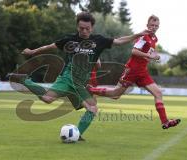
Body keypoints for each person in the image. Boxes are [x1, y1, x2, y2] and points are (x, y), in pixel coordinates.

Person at [18, 12, 149, 140]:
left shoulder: (99, 40)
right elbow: (50, 46)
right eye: (81, 28)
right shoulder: (69, 40)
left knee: (92, 109)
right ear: (77, 27)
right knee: (47, 99)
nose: (84, 31)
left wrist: (137, 34)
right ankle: (25, 81)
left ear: (91, 28)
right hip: (67, 78)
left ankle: (77, 133)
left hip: (80, 83)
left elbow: (119, 41)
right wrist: (32, 52)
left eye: (87, 28)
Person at [88, 15, 181, 129]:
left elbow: (146, 54)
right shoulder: (143, 36)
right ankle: (91, 90)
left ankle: (165, 121)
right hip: (132, 70)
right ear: (147, 25)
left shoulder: (154, 39)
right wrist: (149, 55)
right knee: (115, 94)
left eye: (156, 26)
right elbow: (134, 51)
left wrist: (153, 57)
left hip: (142, 72)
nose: (154, 27)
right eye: (152, 25)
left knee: (158, 93)